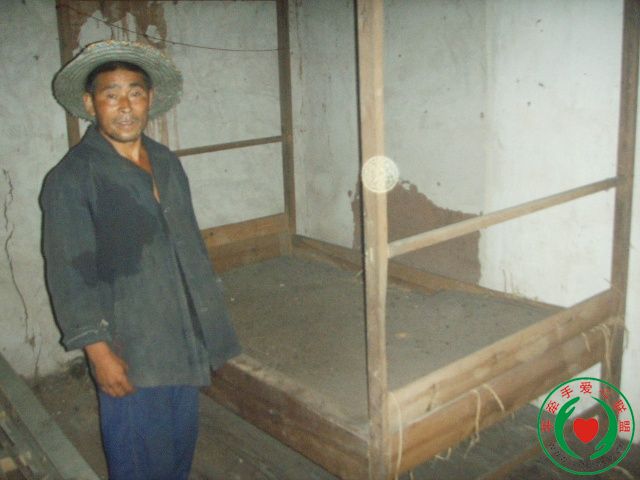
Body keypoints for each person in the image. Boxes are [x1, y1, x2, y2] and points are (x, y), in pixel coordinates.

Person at [41, 40, 241, 479]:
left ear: (150, 98)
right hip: (129, 349)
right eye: (111, 94)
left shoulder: (166, 162)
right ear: (90, 104)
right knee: (137, 460)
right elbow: (69, 276)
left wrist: (207, 326)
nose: (125, 106)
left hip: (181, 340)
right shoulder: (71, 178)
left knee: (178, 450)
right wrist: (99, 354)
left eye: (134, 93)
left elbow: (189, 247)